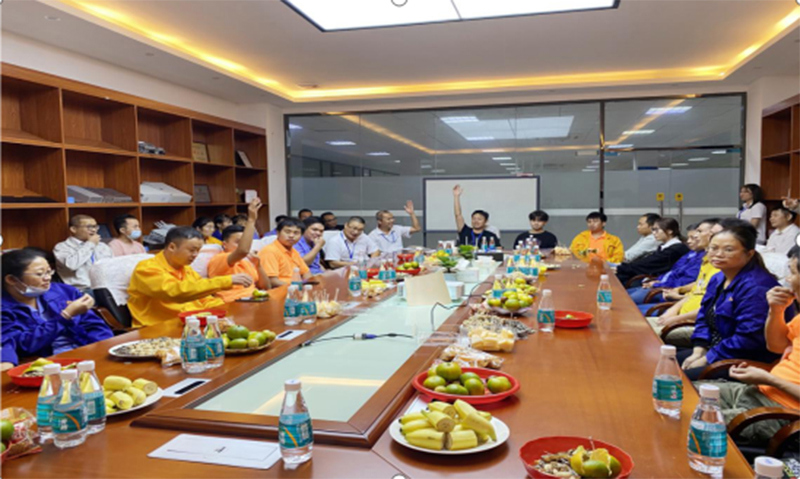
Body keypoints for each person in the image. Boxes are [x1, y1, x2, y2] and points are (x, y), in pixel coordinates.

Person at [695, 246, 800, 446]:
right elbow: (776, 346)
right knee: (681, 392)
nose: (788, 279)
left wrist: (769, 378)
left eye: (793, 273)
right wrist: (776, 311)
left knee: (692, 420)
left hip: (781, 413)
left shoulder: (754, 284)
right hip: (758, 391)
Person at [678, 221, 792, 380]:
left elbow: (748, 339)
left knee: (677, 378)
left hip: (742, 360)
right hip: (716, 348)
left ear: (749, 254)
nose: (718, 254)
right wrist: (699, 350)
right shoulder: (718, 278)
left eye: (728, 250)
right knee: (662, 361)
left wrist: (706, 359)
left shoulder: (756, 287)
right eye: (713, 248)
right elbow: (704, 316)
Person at [2, 248, 113, 366]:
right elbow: (23, 345)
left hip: (85, 351)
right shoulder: (3, 308)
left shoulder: (64, 291)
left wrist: (103, 350)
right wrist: (65, 317)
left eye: (49, 272)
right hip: (48, 362)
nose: (48, 278)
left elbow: (95, 326)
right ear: (11, 279)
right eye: (39, 274)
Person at [128, 226, 253, 328]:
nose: (195, 255)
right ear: (172, 247)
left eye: (198, 250)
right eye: (192, 250)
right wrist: (225, 281)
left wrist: (225, 310)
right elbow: (176, 292)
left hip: (191, 322)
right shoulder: (146, 269)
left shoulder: (185, 269)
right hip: (158, 327)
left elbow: (204, 297)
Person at [645, 222, 725, 346]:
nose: (696, 236)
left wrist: (677, 318)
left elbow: (709, 311)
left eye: (700, 232)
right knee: (635, 325)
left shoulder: (723, 270)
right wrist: (673, 309)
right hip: (681, 314)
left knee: (641, 333)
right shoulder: (706, 261)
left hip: (694, 324)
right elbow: (695, 291)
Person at [627, 220, 715, 305]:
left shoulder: (702, 258)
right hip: (664, 286)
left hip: (667, 290)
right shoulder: (691, 253)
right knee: (625, 295)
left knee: (627, 302)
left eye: (694, 237)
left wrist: (659, 284)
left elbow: (686, 281)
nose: (689, 241)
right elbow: (673, 272)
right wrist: (658, 280)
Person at [207, 199, 271, 303]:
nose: (242, 245)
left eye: (244, 241)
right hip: (232, 302)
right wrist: (251, 220)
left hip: (253, 299)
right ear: (225, 244)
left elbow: (266, 287)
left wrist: (258, 265)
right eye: (238, 242)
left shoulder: (246, 261)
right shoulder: (220, 258)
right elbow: (243, 250)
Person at [616, 217, 688, 284]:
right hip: (650, 279)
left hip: (662, 283)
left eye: (657, 230)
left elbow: (647, 264)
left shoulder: (674, 249)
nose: (654, 233)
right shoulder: (664, 246)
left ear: (669, 231)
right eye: (653, 230)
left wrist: (620, 268)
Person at [53, 214, 113, 292]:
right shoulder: (62, 247)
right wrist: (90, 244)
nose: (94, 230)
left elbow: (112, 267)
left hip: (105, 286)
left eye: (95, 226)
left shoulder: (102, 246)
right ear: (74, 229)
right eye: (89, 227)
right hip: (81, 290)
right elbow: (72, 265)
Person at [258, 218, 313, 286]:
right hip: (280, 289)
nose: (291, 236)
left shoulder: (293, 251)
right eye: (287, 232)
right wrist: (297, 287)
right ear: (278, 233)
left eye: (296, 233)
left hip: (296, 288)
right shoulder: (269, 251)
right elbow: (271, 281)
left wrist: (309, 284)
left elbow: (306, 273)